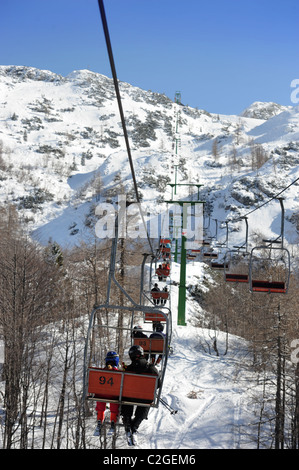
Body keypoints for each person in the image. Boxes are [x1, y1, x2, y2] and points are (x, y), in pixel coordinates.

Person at [121, 345, 160, 444]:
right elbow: (158, 384)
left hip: (130, 397)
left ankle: (127, 420)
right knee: (146, 401)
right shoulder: (150, 368)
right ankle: (135, 425)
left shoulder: (128, 369)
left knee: (126, 397)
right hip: (144, 398)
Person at [94, 351, 119, 435]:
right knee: (115, 400)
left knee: (100, 398)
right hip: (113, 396)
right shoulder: (119, 374)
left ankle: (99, 421)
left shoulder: (101, 373)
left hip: (101, 395)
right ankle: (112, 422)